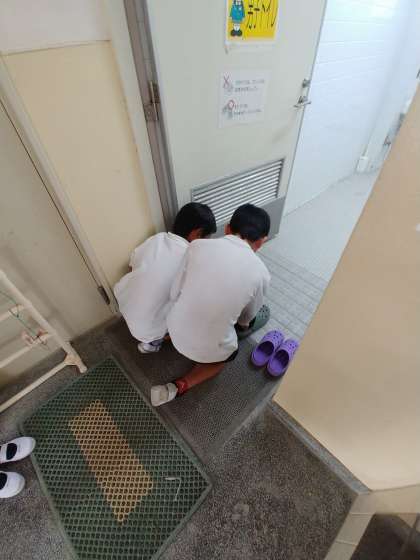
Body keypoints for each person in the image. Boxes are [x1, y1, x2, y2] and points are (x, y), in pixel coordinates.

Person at [151, 204, 271, 407]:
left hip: (174, 327)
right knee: (229, 352)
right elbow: (245, 319)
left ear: (227, 228)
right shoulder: (262, 274)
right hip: (207, 348)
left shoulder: (196, 247)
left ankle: (162, 339)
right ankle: (180, 385)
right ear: (261, 242)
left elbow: (174, 292)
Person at [114, 203, 217, 353]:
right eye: (208, 238)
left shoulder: (157, 238)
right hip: (147, 329)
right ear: (197, 233)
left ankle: (149, 333)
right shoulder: (192, 259)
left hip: (124, 304)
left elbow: (132, 266)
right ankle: (151, 344)